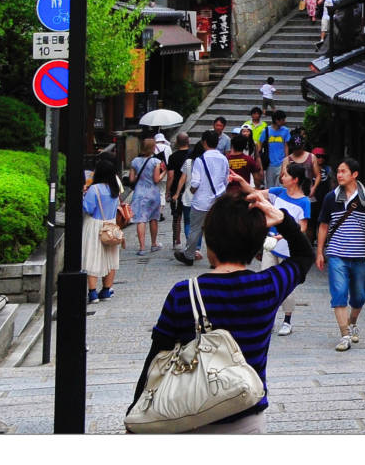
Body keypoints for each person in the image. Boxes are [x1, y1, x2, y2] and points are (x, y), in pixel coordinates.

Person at [132, 172, 316, 433]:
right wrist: (282, 220)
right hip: (247, 416)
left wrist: (135, 409)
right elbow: (303, 255)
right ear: (256, 247)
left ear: (210, 242)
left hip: (188, 417)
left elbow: (155, 359)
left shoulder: (184, 293)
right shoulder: (267, 287)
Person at [314, 156, 365, 352]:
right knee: (339, 293)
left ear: (355, 175)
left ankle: (352, 321)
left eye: (343, 171)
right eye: (338, 171)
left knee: (359, 296)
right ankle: (344, 335)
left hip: (360, 254)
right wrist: (320, 251)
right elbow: (324, 225)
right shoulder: (331, 198)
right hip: (336, 253)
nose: (339, 175)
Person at [264, 160, 316, 336]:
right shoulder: (278, 192)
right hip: (271, 246)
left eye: (285, 175)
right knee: (266, 282)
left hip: (290, 250)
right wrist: (240, 183)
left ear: (294, 179)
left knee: (287, 285)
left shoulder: (304, 202)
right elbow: (256, 193)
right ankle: (267, 319)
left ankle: (287, 321)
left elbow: (302, 228)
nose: (282, 177)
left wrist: (284, 235)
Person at [177, 133, 232, 264]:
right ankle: (215, 260)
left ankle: (189, 255)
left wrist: (191, 190)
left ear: (204, 142)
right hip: (218, 200)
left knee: (195, 228)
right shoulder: (224, 159)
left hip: (201, 201)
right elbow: (226, 179)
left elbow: (195, 183)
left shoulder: (200, 160)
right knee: (215, 231)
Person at [82, 155, 126, 307]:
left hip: (95, 225)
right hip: (111, 225)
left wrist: (83, 195)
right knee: (110, 258)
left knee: (93, 257)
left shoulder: (94, 189)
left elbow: (88, 208)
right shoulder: (114, 189)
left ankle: (92, 292)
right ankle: (106, 289)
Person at [128, 140, 168, 256]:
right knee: (153, 219)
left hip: (139, 193)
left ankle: (141, 247)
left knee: (141, 220)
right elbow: (156, 179)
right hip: (153, 193)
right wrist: (164, 172)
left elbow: (131, 180)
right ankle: (154, 244)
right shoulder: (155, 161)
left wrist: (138, 176)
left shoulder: (134, 161)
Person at [165, 134, 195, 252]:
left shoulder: (173, 157)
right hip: (190, 189)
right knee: (190, 218)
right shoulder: (192, 155)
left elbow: (171, 175)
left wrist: (168, 191)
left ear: (177, 142)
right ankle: (191, 241)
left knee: (177, 216)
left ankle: (177, 240)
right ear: (189, 141)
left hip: (176, 191)